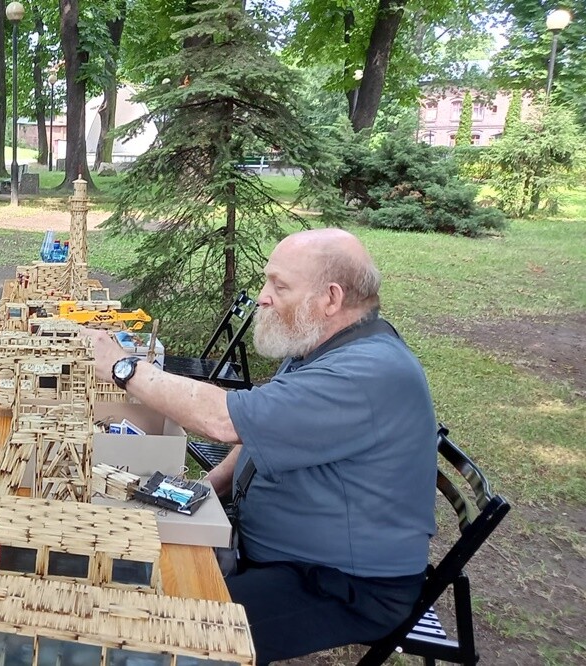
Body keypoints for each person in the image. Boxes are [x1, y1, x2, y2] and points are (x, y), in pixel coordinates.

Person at [84, 229, 437, 665]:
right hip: (279, 552)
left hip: (343, 584)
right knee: (129, 573)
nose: (262, 297)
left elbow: (225, 420)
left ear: (331, 298)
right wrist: (206, 490)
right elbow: (261, 431)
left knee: (162, 633)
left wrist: (123, 367)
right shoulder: (322, 348)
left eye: (279, 286)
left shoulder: (367, 373)